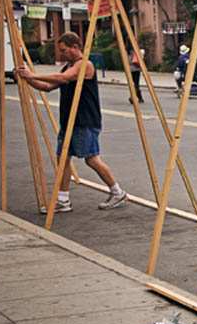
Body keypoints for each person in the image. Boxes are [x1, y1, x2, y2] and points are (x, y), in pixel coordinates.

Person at [16, 31, 128, 213]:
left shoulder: (85, 65)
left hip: (85, 120)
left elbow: (64, 78)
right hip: (69, 120)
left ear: (76, 47)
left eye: (65, 50)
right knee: (63, 160)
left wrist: (33, 75)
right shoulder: (68, 66)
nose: (62, 54)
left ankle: (117, 191)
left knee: (91, 159)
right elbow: (47, 87)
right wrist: (27, 79)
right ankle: (63, 199)